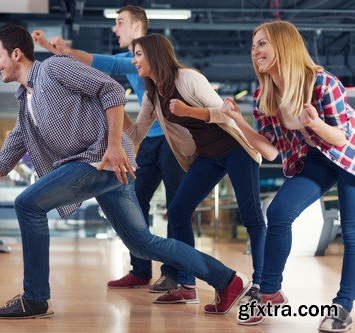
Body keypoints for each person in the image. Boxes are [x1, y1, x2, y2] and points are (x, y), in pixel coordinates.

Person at [0, 25, 251, 319]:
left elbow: (112, 90)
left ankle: (34, 298)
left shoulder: (54, 68)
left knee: (27, 204)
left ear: (17, 54)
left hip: (98, 161)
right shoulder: (25, 103)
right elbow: (3, 161)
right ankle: (226, 279)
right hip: (104, 170)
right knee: (141, 243)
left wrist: (114, 144)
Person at [32, 5, 187, 294]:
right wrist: (49, 47)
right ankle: (140, 270)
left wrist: (63, 49)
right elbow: (94, 64)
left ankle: (176, 274)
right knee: (136, 202)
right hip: (149, 141)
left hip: (172, 139)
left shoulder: (148, 54)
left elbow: (105, 65)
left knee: (177, 208)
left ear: (138, 25)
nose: (115, 29)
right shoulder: (129, 58)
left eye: (120, 23)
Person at [222, 20, 354, 330]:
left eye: (263, 43)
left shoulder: (321, 83)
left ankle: (343, 305)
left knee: (350, 232)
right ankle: (270, 292)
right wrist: (237, 122)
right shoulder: (264, 96)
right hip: (316, 160)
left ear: (284, 45)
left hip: (348, 157)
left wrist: (315, 124)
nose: (255, 51)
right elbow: (270, 151)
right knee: (279, 212)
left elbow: (340, 139)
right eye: (253, 45)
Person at [124, 33, 266, 307]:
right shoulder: (153, 94)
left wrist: (188, 111)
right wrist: (116, 122)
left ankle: (261, 283)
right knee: (177, 211)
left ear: (154, 55)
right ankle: (187, 283)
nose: (134, 60)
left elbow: (224, 113)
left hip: (236, 150)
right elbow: (138, 131)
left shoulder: (188, 78)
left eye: (139, 54)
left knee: (251, 217)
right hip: (208, 156)